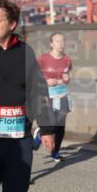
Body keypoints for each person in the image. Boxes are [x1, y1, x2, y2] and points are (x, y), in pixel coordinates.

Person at [0, 0, 55, 192]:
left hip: (19, 139)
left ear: (13, 24)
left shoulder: (25, 52)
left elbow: (37, 90)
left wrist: (47, 127)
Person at [37, 32, 73, 162]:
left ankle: (55, 152)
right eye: (57, 41)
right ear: (51, 44)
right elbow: (34, 77)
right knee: (52, 122)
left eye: (62, 41)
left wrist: (67, 78)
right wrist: (46, 82)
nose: (61, 43)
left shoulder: (67, 59)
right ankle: (42, 134)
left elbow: (67, 76)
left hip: (62, 94)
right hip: (47, 95)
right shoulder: (43, 59)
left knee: (61, 125)